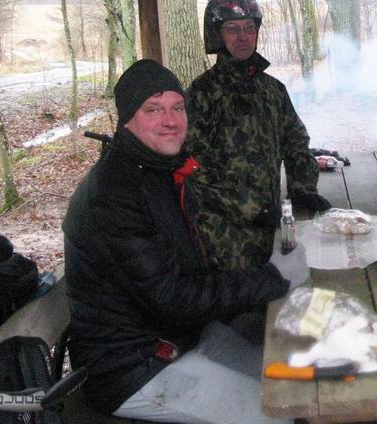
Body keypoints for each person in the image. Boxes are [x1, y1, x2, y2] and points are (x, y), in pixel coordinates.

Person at [63, 59, 306, 423]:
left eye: (178, 107)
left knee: (293, 374)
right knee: (277, 412)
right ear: (127, 118)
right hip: (132, 368)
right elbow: (173, 298)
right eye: (153, 109)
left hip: (177, 338)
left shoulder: (159, 172)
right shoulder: (114, 194)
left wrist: (262, 273)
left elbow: (190, 273)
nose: (171, 120)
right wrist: (271, 278)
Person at [187, 0, 329, 271]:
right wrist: (252, 208)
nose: (242, 36)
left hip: (271, 230)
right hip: (224, 238)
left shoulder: (273, 90)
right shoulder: (202, 94)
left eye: (249, 28)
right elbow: (193, 167)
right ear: (217, 35)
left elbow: (296, 140)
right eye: (232, 29)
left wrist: (303, 188)